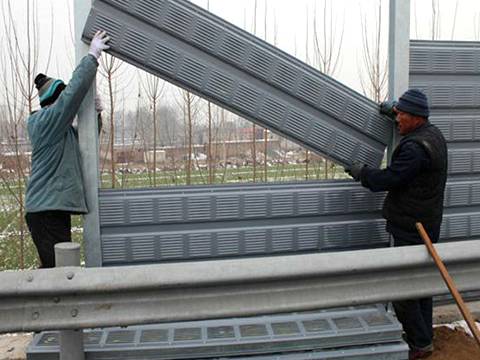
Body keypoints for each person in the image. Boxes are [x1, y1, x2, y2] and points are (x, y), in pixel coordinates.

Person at [345, 89, 447, 360]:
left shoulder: (415, 150)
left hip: (413, 228)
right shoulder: (432, 134)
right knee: (422, 285)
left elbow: (387, 179)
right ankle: (424, 336)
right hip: (426, 222)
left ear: (415, 118)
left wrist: (361, 173)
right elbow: (408, 117)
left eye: (402, 114)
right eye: (397, 112)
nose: (398, 118)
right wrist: (392, 110)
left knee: (405, 290)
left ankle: (419, 344)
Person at [25, 30, 110, 268]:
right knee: (59, 272)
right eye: (61, 101)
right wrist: (91, 57)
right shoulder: (44, 123)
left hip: (53, 210)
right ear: (52, 102)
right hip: (45, 212)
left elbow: (87, 139)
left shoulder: (61, 132)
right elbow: (70, 97)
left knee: (60, 270)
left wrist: (96, 114)